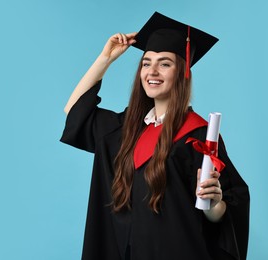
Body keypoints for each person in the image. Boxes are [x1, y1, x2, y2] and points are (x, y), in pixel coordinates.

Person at [60, 12, 249, 260]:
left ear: (183, 72)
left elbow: (225, 211)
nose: (153, 71)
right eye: (147, 63)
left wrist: (213, 204)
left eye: (165, 63)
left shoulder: (198, 134)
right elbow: (74, 112)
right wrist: (105, 58)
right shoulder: (127, 127)